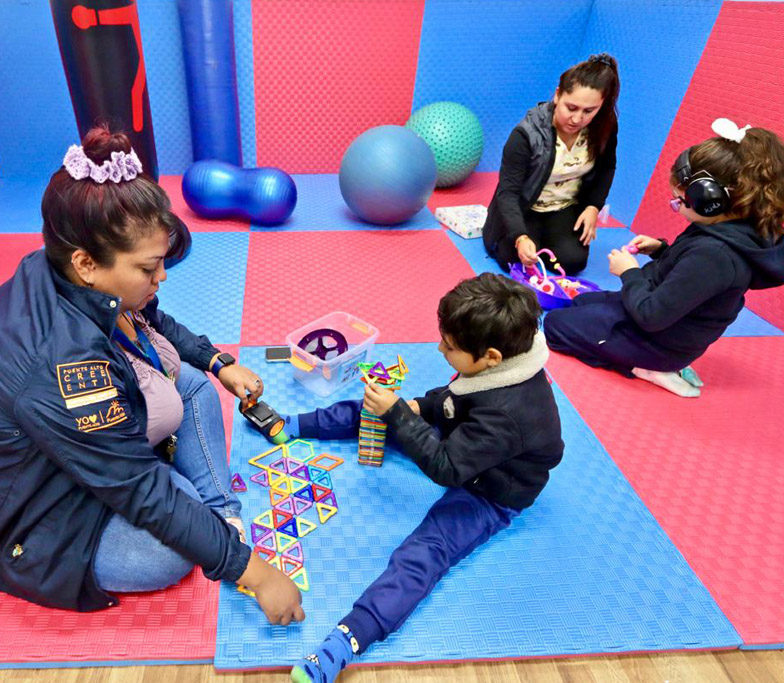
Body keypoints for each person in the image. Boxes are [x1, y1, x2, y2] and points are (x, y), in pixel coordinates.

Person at [0, 125, 304, 625]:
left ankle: (222, 515)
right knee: (167, 551)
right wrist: (255, 572)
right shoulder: (64, 364)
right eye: (150, 268)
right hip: (23, 519)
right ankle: (208, 519)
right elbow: (137, 487)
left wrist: (219, 362)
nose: (162, 278)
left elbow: (150, 319)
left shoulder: (68, 272)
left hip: (69, 452)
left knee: (193, 385)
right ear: (87, 262)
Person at [289, 274, 564, 683]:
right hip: (467, 445)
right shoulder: (504, 362)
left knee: (423, 553)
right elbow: (457, 396)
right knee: (372, 409)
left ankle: (347, 639)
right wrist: (418, 406)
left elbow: (446, 469)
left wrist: (400, 414)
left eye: (449, 347)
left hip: (489, 492)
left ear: (489, 356)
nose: (439, 349)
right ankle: (289, 424)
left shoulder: (509, 411)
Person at [545, 120, 784, 397]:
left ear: (710, 200)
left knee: (555, 327)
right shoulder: (726, 227)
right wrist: (660, 249)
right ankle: (644, 356)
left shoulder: (716, 255)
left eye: (679, 202)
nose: (676, 207)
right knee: (579, 301)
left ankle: (644, 367)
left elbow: (651, 316)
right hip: (663, 321)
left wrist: (628, 272)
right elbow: (690, 274)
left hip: (657, 341)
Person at [483, 53, 620, 275]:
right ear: (557, 95)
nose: (577, 119)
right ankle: (522, 236)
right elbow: (508, 193)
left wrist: (593, 206)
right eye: (571, 107)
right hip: (525, 206)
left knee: (573, 262)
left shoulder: (604, 127)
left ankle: (548, 238)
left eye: (589, 111)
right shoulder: (525, 134)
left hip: (564, 206)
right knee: (515, 260)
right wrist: (520, 237)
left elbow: (607, 167)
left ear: (601, 106)